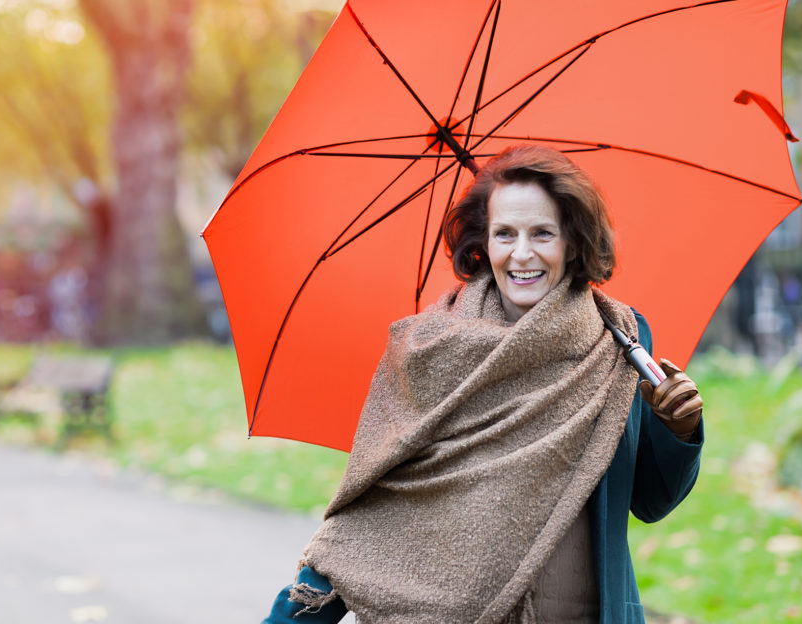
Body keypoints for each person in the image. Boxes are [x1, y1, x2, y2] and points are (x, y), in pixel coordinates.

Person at [263, 144, 704, 624]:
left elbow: (650, 501)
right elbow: (382, 507)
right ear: (483, 243)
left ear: (574, 242)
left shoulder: (619, 339)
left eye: (542, 233)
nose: (522, 253)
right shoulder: (427, 350)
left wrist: (677, 431)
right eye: (504, 233)